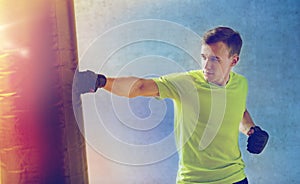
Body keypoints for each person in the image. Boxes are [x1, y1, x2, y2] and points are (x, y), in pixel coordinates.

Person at [75, 26, 269, 184]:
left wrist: (252, 130)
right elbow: (141, 87)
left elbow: (239, 111)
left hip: (235, 179)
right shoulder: (187, 84)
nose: (207, 66)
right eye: (204, 57)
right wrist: (100, 81)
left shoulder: (240, 84)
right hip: (194, 181)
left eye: (215, 59)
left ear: (234, 60)